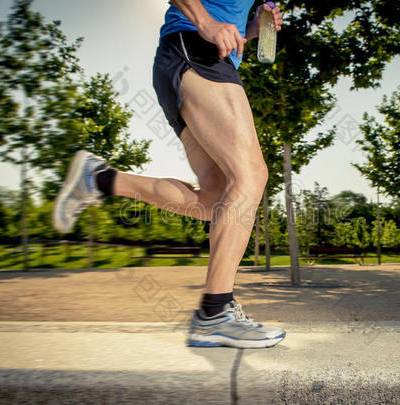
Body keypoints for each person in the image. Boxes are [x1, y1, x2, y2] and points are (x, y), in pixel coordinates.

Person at [53, 0, 284, 349]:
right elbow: (207, 16)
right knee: (251, 175)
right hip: (196, 50)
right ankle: (214, 312)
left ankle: (98, 179)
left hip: (190, 58)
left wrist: (251, 30)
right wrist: (205, 22)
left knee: (216, 201)